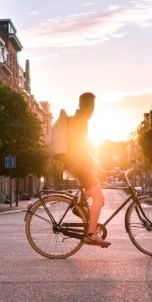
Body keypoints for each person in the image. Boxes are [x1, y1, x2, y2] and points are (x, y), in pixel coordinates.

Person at [63, 92, 110, 247]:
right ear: (87, 105)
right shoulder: (81, 120)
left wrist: (96, 163)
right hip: (79, 164)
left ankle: (81, 204)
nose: (93, 109)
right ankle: (90, 234)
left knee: (97, 183)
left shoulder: (77, 118)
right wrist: (95, 164)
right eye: (92, 106)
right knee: (99, 198)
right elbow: (80, 148)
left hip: (76, 163)